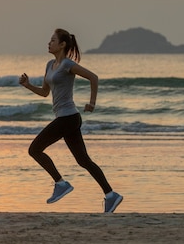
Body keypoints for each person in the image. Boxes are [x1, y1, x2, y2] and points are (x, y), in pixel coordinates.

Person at [19, 28, 123, 213]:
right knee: (83, 160)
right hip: (66, 119)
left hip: (69, 118)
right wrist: (28, 86)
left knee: (34, 149)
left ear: (62, 44)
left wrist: (92, 102)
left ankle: (61, 184)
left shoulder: (67, 64)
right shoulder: (50, 64)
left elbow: (93, 77)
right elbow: (45, 93)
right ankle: (111, 195)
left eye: (52, 40)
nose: (48, 43)